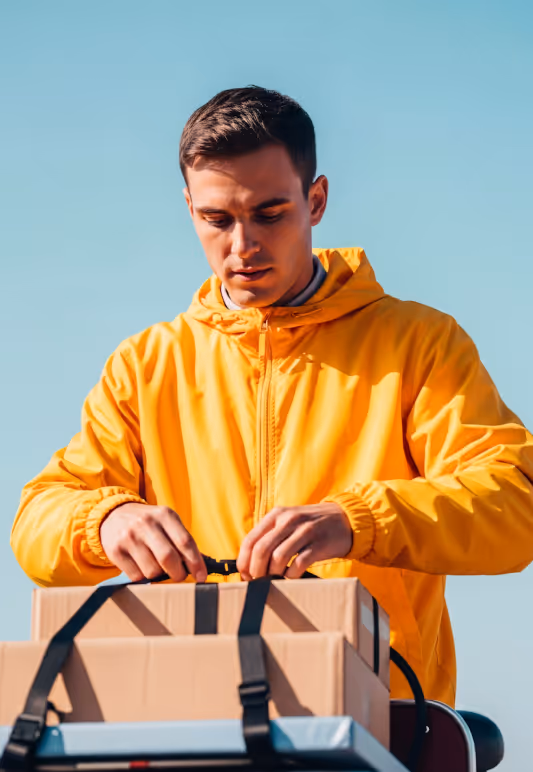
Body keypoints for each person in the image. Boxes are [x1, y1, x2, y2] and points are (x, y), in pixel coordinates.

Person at [11, 86, 533, 707]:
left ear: (316, 201)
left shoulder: (420, 343)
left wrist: (355, 521)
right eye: (217, 219)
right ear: (188, 207)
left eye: (269, 213)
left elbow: (515, 505)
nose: (242, 246)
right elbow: (36, 521)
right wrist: (105, 519)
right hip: (190, 718)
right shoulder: (144, 365)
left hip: (377, 721)